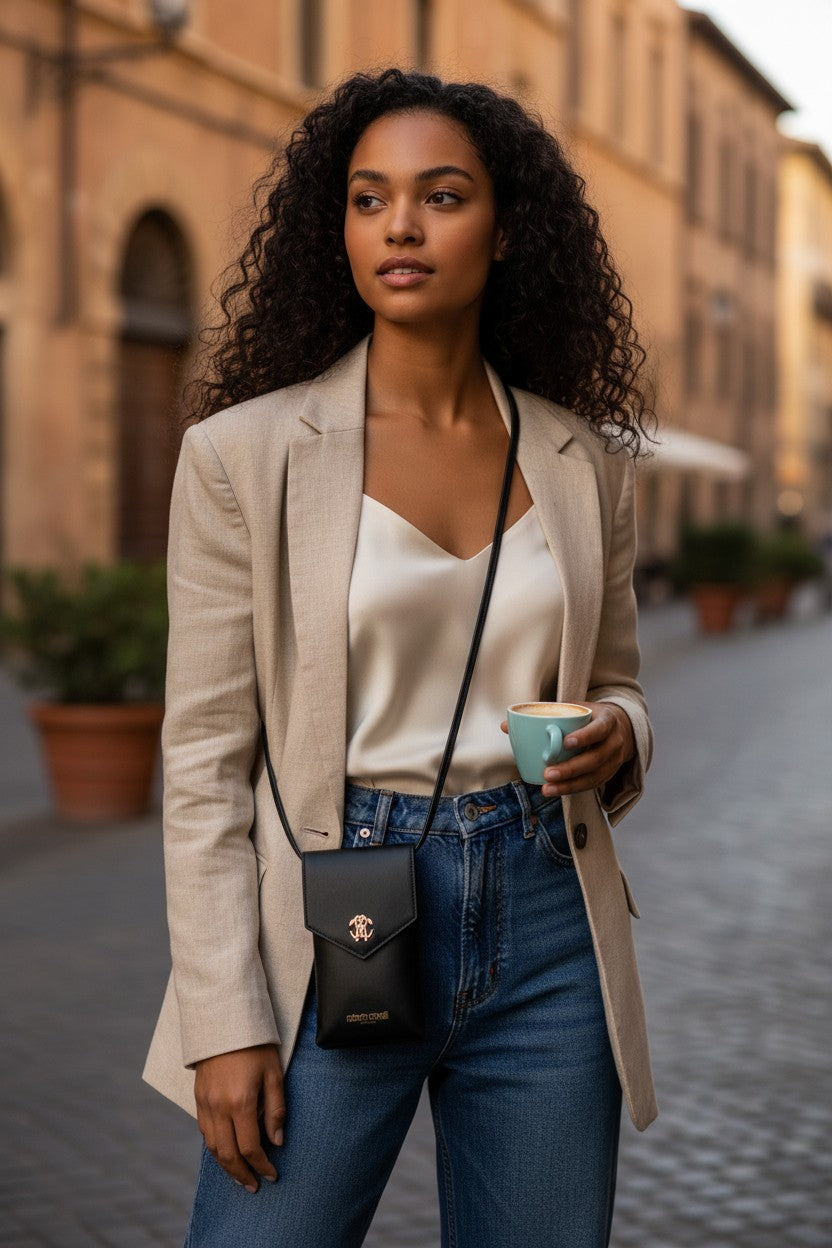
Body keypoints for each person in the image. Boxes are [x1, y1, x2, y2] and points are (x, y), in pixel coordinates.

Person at [143, 67, 658, 1248]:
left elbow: (618, 678)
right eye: (369, 199)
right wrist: (224, 1018)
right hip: (336, 915)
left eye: (441, 196)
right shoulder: (243, 456)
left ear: (507, 229)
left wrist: (619, 731)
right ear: (338, 232)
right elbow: (205, 761)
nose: (401, 227)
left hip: (545, 914)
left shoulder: (583, 463)